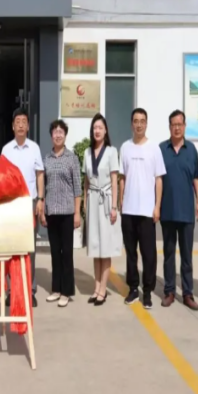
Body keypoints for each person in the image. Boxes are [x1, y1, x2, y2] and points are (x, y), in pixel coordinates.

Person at [119, 108, 166, 309]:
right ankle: (133, 289)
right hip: (129, 210)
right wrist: (121, 201)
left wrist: (157, 206)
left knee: (149, 254)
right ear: (131, 124)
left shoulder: (154, 148)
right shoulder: (125, 147)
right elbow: (122, 178)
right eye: (136, 121)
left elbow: (159, 180)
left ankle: (147, 292)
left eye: (142, 121)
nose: (139, 124)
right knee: (131, 253)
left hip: (147, 211)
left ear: (146, 124)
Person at [1, 107, 44, 307]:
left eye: (23, 122)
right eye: (17, 121)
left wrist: (41, 199)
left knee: (29, 248)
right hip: (11, 204)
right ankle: (11, 290)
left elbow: (40, 175)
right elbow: (1, 177)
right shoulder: (6, 150)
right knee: (11, 248)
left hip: (29, 204)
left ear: (28, 126)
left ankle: (30, 290)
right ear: (12, 126)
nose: (20, 125)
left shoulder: (34, 148)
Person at [159, 109, 198, 311]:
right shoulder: (161, 149)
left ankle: (187, 293)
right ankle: (169, 291)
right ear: (169, 127)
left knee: (187, 255)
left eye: (180, 124)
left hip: (186, 212)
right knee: (168, 254)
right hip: (167, 211)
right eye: (173, 124)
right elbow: (156, 179)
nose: (177, 128)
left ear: (184, 126)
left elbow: (196, 178)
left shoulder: (191, 149)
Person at [40, 119, 82, 308]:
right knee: (55, 253)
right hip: (51, 212)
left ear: (65, 136)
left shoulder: (72, 158)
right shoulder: (46, 159)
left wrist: (77, 213)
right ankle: (56, 289)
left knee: (67, 253)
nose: (58, 135)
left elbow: (77, 188)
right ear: (51, 136)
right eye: (55, 132)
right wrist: (42, 211)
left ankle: (66, 291)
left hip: (66, 213)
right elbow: (43, 186)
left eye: (61, 132)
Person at [83, 113, 121, 306]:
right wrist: (84, 202)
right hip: (92, 200)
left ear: (105, 131)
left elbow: (114, 181)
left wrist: (114, 206)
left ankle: (103, 289)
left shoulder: (112, 152)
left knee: (105, 247)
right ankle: (96, 287)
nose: (97, 131)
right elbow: (86, 180)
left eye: (100, 127)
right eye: (94, 128)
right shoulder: (87, 153)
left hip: (106, 202)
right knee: (95, 246)